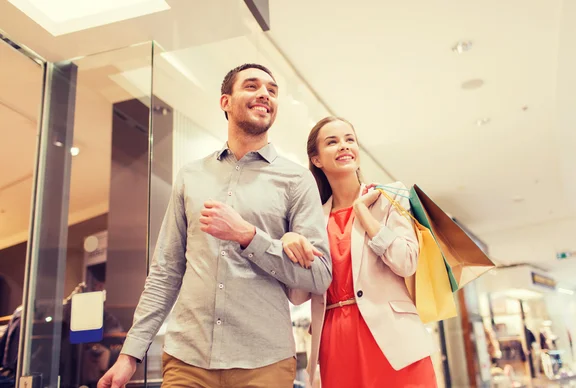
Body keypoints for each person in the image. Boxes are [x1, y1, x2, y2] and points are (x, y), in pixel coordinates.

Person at [98, 63, 332, 388]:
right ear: (226, 101)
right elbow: (165, 272)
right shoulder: (190, 176)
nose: (265, 93)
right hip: (187, 361)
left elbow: (319, 276)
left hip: (264, 363)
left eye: (272, 90)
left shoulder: (296, 179)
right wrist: (129, 355)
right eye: (252, 86)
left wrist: (250, 237)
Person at [286, 116, 437, 387]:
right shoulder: (311, 219)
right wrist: (292, 248)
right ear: (316, 159)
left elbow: (407, 262)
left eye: (349, 140)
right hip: (335, 340)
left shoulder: (390, 196)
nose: (344, 146)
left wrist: (363, 215)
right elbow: (298, 296)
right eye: (332, 142)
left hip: (394, 339)